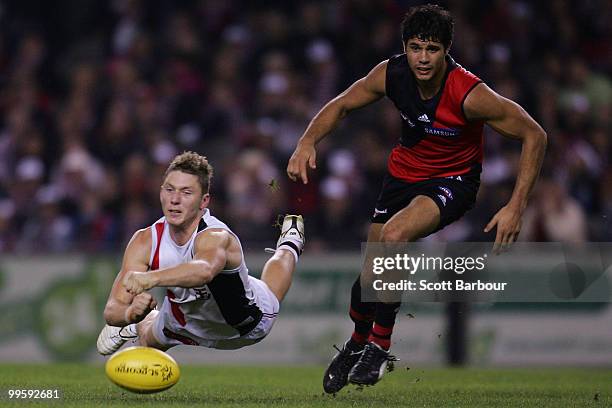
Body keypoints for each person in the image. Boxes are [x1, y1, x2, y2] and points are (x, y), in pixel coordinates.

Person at [287, 4, 546, 393]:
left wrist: (516, 205)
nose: (423, 58)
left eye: (433, 49)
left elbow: (535, 135)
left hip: (452, 181)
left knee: (395, 237)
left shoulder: (469, 94)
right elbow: (341, 103)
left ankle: (379, 348)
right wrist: (306, 141)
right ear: (405, 48)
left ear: (446, 51)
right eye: (416, 47)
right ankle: (357, 344)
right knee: (370, 278)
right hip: (402, 176)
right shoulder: (391, 73)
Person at [97, 151, 304, 354]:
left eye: (186, 192)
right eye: (169, 190)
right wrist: (129, 313)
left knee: (273, 291)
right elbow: (112, 310)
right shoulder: (144, 241)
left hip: (244, 328)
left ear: (204, 201)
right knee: (145, 339)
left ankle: (290, 242)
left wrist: (151, 278)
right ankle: (134, 327)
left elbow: (203, 271)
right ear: (161, 192)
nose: (174, 199)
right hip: (183, 322)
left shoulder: (216, 235)